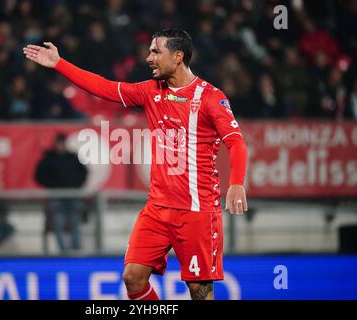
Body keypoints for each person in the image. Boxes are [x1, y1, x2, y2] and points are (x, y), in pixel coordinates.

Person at [24, 28, 248, 300]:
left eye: (156, 52)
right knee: (133, 278)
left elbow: (236, 142)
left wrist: (236, 183)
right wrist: (60, 64)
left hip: (197, 211)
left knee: (199, 290)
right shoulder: (150, 91)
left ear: (178, 57)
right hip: (157, 209)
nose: (148, 58)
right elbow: (104, 87)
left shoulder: (210, 97)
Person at [35, 134, 87, 254]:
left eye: (62, 143)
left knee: (74, 221)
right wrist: (51, 185)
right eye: (58, 144)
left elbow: (83, 172)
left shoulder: (72, 158)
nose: (60, 146)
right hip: (56, 195)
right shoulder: (49, 158)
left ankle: (75, 248)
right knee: (58, 222)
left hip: (72, 194)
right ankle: (62, 250)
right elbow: (38, 175)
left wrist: (77, 184)